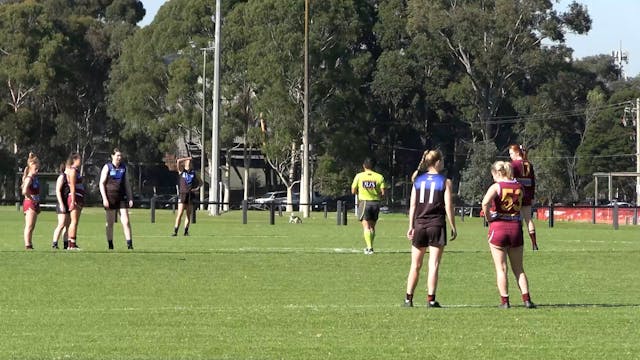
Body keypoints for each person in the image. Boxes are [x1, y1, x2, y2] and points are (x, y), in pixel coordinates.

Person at [404, 150, 457, 307]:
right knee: (433, 264)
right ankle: (431, 299)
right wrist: (453, 225)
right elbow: (448, 205)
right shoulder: (445, 181)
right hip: (436, 224)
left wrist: (411, 226)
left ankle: (408, 299)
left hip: (419, 224)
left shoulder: (418, 180)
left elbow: (413, 205)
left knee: (415, 264)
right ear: (437, 162)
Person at [481, 161, 536, 309]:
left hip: (499, 227)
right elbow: (525, 205)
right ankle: (527, 299)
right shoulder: (520, 187)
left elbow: (485, 203)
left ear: (498, 173)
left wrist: (489, 218)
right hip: (516, 228)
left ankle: (505, 301)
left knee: (501, 268)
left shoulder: (496, 186)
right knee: (519, 268)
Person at [99, 148, 134, 250]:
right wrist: (104, 198)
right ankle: (110, 244)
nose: (119, 157)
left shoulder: (124, 168)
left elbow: (127, 183)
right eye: (117, 155)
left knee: (126, 221)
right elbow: (101, 183)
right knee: (110, 223)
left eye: (120, 156)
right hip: (110, 197)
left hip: (121, 198)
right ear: (112, 156)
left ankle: (129, 244)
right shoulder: (107, 167)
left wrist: (130, 197)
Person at [351, 158, 386, 254]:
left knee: (366, 226)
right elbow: (383, 192)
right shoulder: (379, 177)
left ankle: (369, 248)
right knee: (372, 227)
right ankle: (370, 246)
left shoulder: (359, 176)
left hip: (365, 202)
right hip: (375, 203)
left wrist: (361, 192)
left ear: (363, 166)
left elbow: (353, 191)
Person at [508, 144, 538, 250]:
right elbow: (533, 181)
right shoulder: (529, 164)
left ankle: (517, 243)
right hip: (528, 195)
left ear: (517, 153)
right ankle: (534, 244)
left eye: (511, 153)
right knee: (529, 220)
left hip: (517, 195)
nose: (510, 156)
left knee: (516, 220)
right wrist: (532, 196)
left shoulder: (513, 164)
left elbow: (510, 180)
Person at [172, 156, 201, 237]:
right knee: (180, 213)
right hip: (182, 194)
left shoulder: (193, 173)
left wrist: (196, 189)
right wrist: (187, 158)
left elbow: (201, 182)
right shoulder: (181, 171)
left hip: (190, 195)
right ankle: (175, 231)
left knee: (188, 215)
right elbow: (178, 161)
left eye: (189, 162)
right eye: (187, 162)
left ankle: (186, 231)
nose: (188, 163)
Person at [22, 152, 41, 250]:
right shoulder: (29, 178)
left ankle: (30, 243)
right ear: (30, 168)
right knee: (29, 225)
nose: (37, 170)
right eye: (35, 169)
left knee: (32, 226)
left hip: (35, 202)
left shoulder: (35, 177)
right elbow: (24, 191)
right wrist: (31, 198)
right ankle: (28, 245)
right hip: (30, 203)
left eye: (38, 169)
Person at [65, 152, 84, 250]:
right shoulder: (72, 171)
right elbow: (72, 186)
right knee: (74, 221)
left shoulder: (76, 171)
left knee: (75, 221)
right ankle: (71, 244)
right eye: (79, 159)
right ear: (75, 160)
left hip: (79, 196)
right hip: (75, 197)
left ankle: (71, 243)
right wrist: (73, 200)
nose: (80, 161)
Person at [52, 162, 70, 249]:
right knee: (61, 224)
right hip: (62, 203)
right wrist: (61, 204)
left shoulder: (71, 177)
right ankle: (54, 243)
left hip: (68, 203)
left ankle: (66, 244)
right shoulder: (62, 177)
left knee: (67, 225)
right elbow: (58, 191)